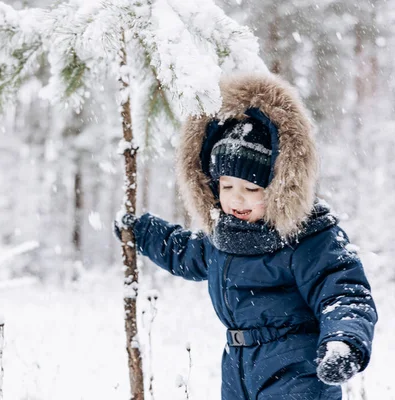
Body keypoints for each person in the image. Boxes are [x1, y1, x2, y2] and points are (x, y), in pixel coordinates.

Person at [114, 73, 377, 400]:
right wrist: (141, 231)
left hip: (298, 369)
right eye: (226, 187)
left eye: (251, 189)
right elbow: (182, 252)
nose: (236, 199)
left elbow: (344, 293)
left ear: (278, 185)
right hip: (238, 367)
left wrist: (344, 342)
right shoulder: (224, 237)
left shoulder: (308, 236)